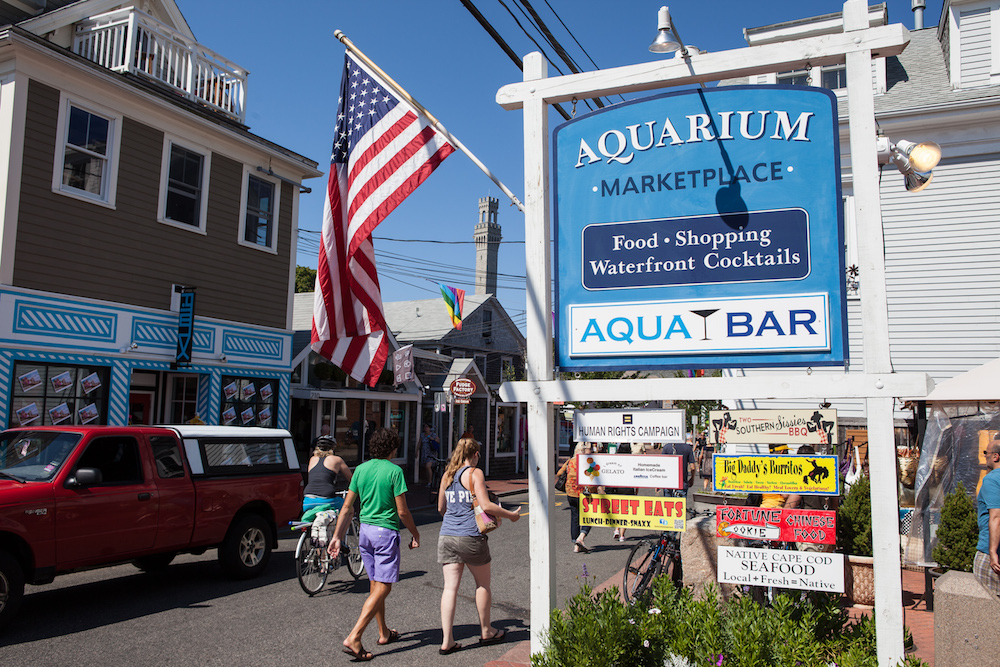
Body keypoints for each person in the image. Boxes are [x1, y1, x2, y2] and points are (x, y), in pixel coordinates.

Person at [329, 428, 420, 662]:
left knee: (375, 584)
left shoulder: (360, 470)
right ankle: (355, 636)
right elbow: (402, 511)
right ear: (392, 448)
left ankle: (383, 633)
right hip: (385, 533)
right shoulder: (394, 471)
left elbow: (348, 507)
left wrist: (337, 536)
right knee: (385, 586)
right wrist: (415, 533)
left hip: (365, 533)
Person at [436, 437, 521, 655]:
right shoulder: (474, 473)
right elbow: (485, 505)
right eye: (478, 455)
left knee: (449, 588)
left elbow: (440, 508)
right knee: (482, 585)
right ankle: (486, 631)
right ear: (474, 454)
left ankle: (447, 641)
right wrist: (510, 515)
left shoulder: (447, 475)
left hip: (447, 535)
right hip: (471, 536)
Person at [974, 438, 1000, 599]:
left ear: (996, 456)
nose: (985, 456)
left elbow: (996, 516)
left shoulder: (992, 479)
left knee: (986, 608)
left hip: (991, 554)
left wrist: (992, 551)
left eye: (986, 453)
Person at [556, 442, 594, 552]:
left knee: (574, 517)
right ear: (583, 450)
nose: (591, 451)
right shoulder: (588, 462)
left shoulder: (570, 461)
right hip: (583, 494)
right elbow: (592, 478)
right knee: (589, 516)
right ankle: (581, 537)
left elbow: (559, 473)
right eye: (589, 449)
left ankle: (575, 544)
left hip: (570, 493)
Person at [302, 436, 352, 514]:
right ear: (333, 448)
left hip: (308, 500)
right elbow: (352, 479)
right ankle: (340, 527)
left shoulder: (312, 459)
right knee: (349, 509)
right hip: (327, 498)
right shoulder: (337, 459)